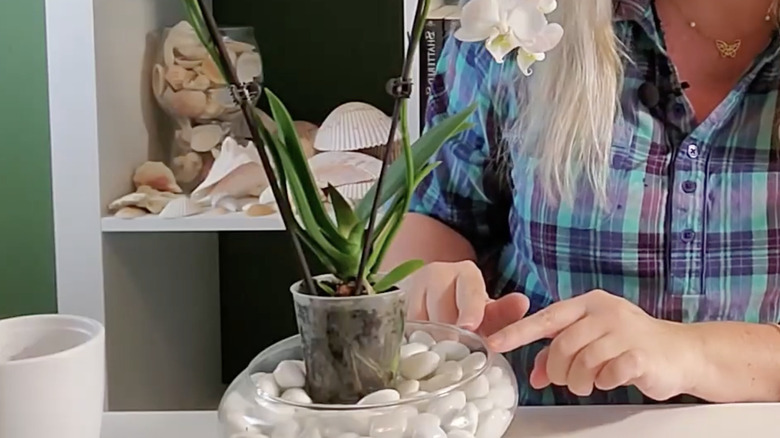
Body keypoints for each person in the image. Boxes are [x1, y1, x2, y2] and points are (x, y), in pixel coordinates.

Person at [383, 0, 780, 405]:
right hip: (531, 417)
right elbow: (436, 214)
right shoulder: (516, 21)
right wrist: (432, 284)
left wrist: (692, 353)